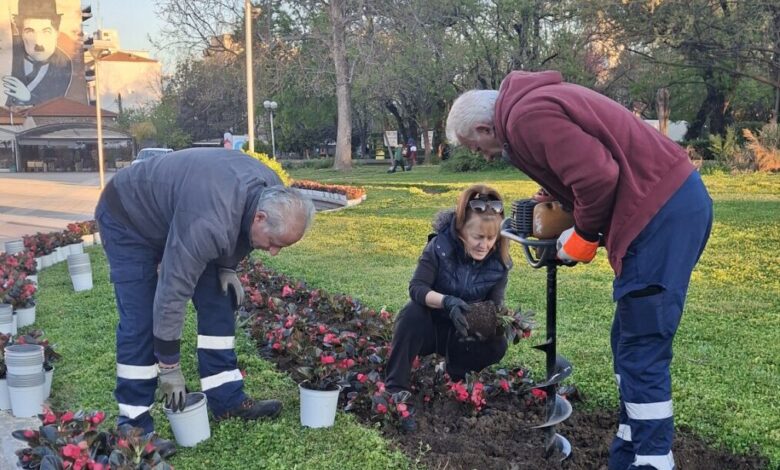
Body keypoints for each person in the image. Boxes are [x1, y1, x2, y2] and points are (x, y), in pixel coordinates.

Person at [446, 71, 713, 470]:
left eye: (477, 146)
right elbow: (589, 156)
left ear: (486, 127)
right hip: (664, 209)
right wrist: (557, 191)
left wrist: (584, 236)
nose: (483, 155)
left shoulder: (524, 119)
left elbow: (598, 175)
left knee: (642, 346)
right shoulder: (533, 104)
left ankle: (655, 460)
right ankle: (630, 446)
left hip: (660, 216)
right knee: (626, 340)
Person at [95, 148, 316, 452]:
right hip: (128, 218)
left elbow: (240, 228)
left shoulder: (269, 187)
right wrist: (169, 366)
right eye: (274, 243)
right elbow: (172, 291)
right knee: (140, 321)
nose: (274, 252)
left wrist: (227, 266)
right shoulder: (207, 222)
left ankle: (226, 399)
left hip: (183, 211)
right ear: (261, 217)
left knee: (219, 299)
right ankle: (133, 428)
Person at [385, 184, 512, 432]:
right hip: (429, 328)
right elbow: (417, 288)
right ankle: (396, 389)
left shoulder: (500, 264)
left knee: (497, 341)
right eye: (478, 237)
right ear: (461, 230)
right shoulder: (439, 247)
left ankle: (456, 376)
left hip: (461, 334)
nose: (484, 245)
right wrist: (447, 301)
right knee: (412, 313)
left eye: (490, 238)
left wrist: (501, 322)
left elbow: (495, 306)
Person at [4, 0, 73, 106]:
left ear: (57, 33)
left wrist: (29, 97)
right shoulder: (6, 50)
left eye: (46, 32)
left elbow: (54, 105)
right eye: (30, 32)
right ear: (20, 33)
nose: (38, 42)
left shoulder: (63, 63)